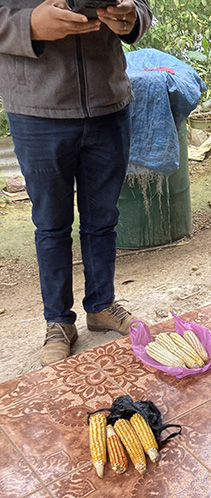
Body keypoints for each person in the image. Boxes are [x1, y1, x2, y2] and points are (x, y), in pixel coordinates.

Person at [0, 0, 152, 365]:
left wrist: (132, 18)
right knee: (51, 225)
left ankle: (101, 306)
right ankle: (58, 321)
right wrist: (29, 25)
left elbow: (142, 6)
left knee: (103, 219)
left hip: (109, 103)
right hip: (37, 109)